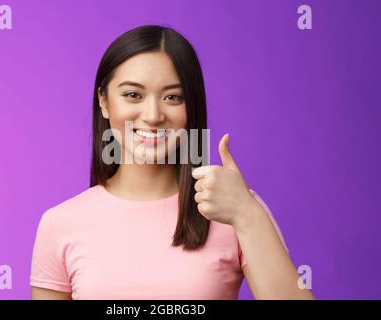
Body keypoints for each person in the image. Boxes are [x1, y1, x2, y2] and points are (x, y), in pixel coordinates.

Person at [30, 25, 314, 300]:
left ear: (191, 106)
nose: (153, 115)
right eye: (133, 95)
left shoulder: (235, 208)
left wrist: (246, 215)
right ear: (104, 102)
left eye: (173, 97)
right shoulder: (60, 223)